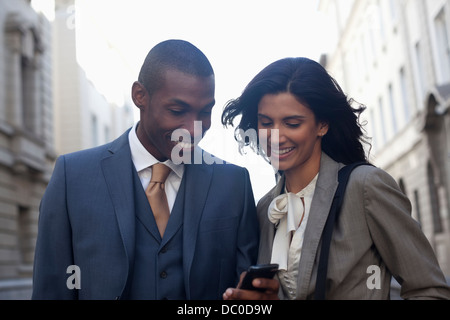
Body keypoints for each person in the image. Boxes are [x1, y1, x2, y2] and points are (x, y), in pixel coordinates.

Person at [32, 39, 259, 300]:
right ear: (140, 96)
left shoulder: (234, 183)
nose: (194, 128)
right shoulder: (72, 177)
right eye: (177, 110)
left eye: (205, 112)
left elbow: (247, 295)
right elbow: (52, 289)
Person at [221, 57, 450, 300]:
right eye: (266, 123)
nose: (275, 137)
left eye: (292, 123)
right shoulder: (266, 208)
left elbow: (430, 291)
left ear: (322, 125)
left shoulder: (365, 186)